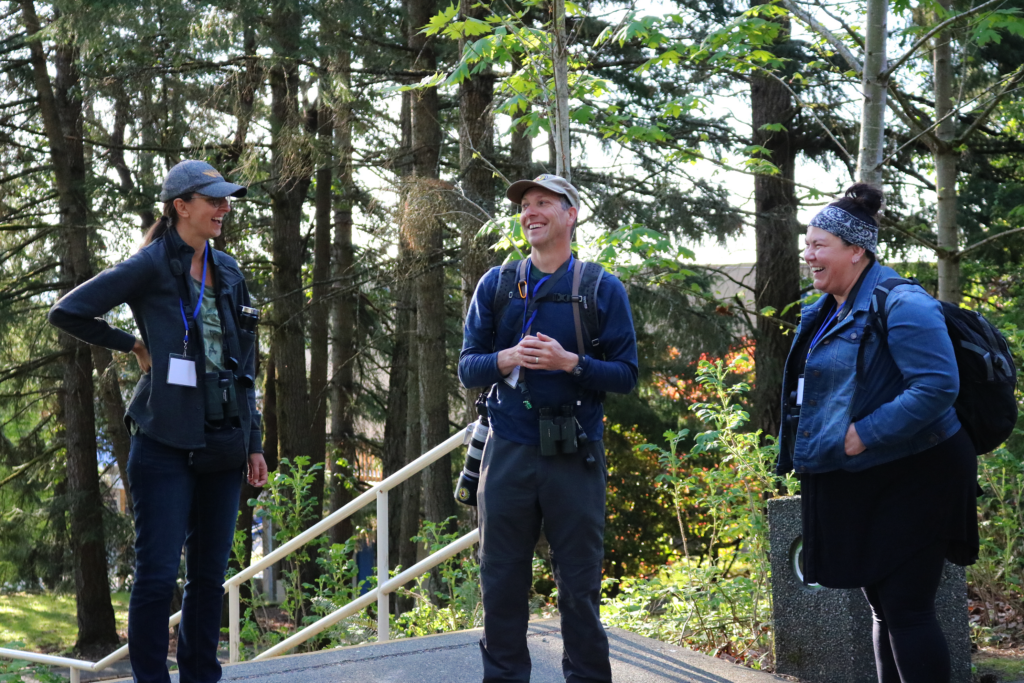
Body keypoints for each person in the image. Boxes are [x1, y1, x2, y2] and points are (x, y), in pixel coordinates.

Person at [48, 160, 268, 683]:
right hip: (164, 443)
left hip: (223, 441)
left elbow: (247, 363)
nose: (224, 208)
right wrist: (133, 344)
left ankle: (200, 676)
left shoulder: (230, 271)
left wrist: (253, 441)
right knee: (155, 578)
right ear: (180, 207)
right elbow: (68, 311)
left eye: (226, 199)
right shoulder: (149, 265)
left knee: (210, 576)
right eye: (213, 200)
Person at [777, 184, 978, 683]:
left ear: (856, 249)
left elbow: (936, 386)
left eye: (819, 244)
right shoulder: (830, 307)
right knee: (885, 609)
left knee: (908, 608)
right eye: (808, 244)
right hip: (867, 475)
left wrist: (862, 434)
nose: (808, 256)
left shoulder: (903, 302)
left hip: (919, 472)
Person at [459, 174, 639, 683]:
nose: (530, 212)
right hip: (508, 450)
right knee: (500, 583)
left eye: (543, 203)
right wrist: (507, 357)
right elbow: (467, 366)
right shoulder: (496, 284)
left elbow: (626, 375)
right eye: (525, 205)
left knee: (579, 587)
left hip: (575, 453)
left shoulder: (602, 287)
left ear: (570, 214)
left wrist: (570, 363)